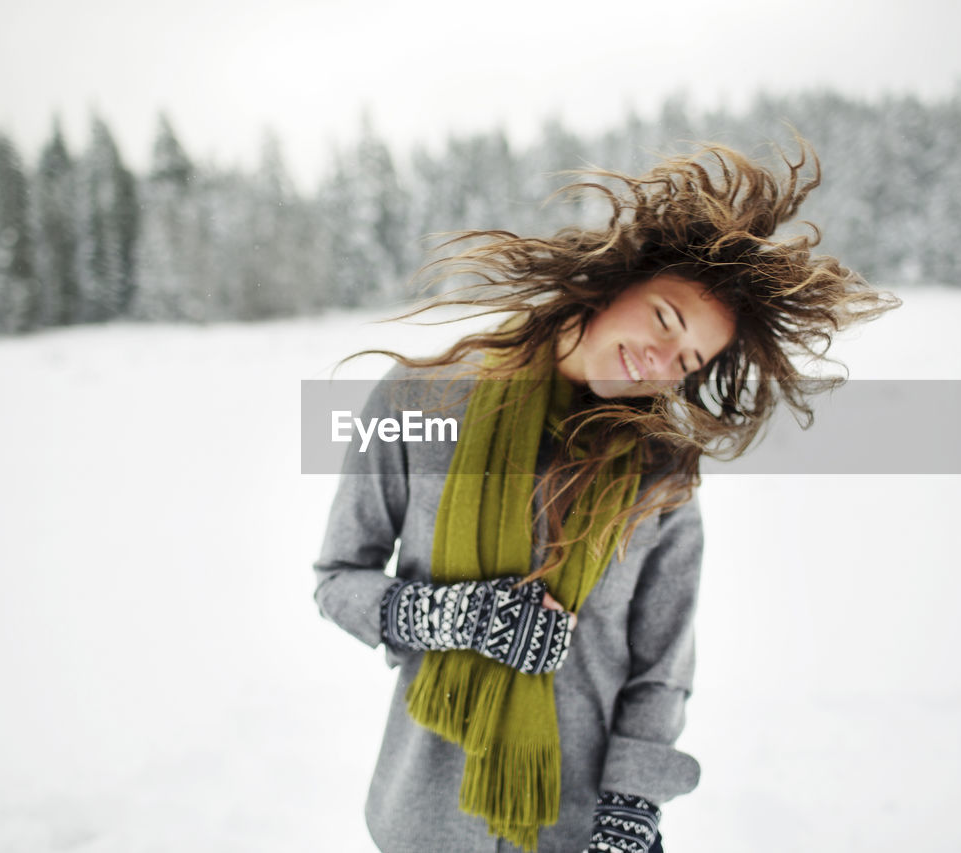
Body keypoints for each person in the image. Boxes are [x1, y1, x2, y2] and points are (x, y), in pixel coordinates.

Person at [312, 140, 900, 853]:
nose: (660, 359)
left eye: (687, 362)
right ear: (616, 283)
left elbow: (660, 671)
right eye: (662, 319)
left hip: (578, 824)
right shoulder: (422, 398)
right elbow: (339, 580)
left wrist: (629, 814)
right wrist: (449, 615)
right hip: (426, 818)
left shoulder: (662, 474)